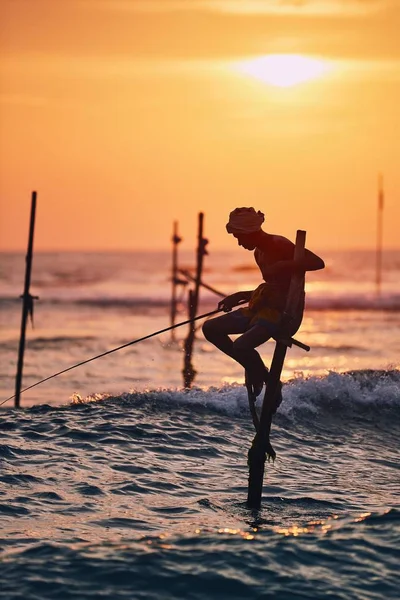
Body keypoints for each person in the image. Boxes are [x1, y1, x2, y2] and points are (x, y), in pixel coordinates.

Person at [202, 207, 325, 399]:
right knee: (210, 328)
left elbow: (318, 262)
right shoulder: (258, 253)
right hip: (262, 308)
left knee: (241, 346)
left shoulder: (279, 244)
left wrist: (284, 264)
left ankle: (269, 382)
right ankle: (258, 372)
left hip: (283, 313)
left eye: (240, 237)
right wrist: (239, 295)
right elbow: (273, 287)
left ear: (250, 232)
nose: (239, 243)